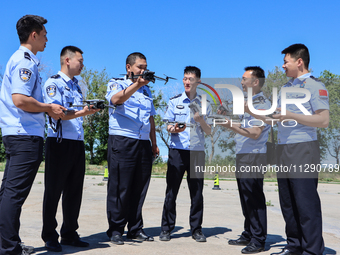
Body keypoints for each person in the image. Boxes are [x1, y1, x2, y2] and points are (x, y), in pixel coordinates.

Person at [246, 44, 329, 255]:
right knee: (288, 202)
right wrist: (253, 112)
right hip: (283, 149)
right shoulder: (285, 88)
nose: (283, 65)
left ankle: (312, 250)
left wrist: (291, 115)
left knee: (305, 202)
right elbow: (276, 118)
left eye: (286, 61)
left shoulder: (313, 86)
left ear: (299, 61)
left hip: (303, 148)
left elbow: (323, 120)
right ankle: (294, 246)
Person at [0, 15, 65, 255]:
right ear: (34, 35)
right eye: (45, 34)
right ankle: (8, 248)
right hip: (24, 135)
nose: (47, 39)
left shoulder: (22, 60)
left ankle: (7, 243)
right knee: (14, 195)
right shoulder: (25, 62)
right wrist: (48, 107)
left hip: (18, 133)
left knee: (8, 192)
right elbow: (20, 100)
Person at [41, 46, 100, 252]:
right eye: (80, 61)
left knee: (74, 191)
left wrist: (88, 110)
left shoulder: (78, 85)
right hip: (59, 142)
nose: (82, 65)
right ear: (67, 60)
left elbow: (76, 112)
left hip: (76, 142)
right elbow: (57, 113)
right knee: (53, 191)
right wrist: (83, 113)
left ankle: (69, 233)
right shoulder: (53, 83)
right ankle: (49, 235)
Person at [105, 52, 159, 245]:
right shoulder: (117, 83)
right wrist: (137, 84)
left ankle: (135, 229)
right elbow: (116, 100)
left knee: (139, 187)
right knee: (120, 186)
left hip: (143, 142)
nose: (143, 70)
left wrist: (154, 143)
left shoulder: (147, 91)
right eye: (140, 67)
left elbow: (151, 118)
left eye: (145, 67)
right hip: (122, 140)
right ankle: (116, 229)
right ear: (129, 67)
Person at [159, 66, 212, 242]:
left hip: (196, 152)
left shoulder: (205, 103)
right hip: (177, 151)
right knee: (171, 191)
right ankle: (166, 228)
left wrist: (201, 120)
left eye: (191, 79)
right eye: (185, 79)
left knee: (196, 193)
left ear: (198, 81)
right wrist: (172, 128)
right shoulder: (175, 101)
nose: (187, 82)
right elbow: (167, 125)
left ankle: (196, 229)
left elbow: (209, 131)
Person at [221, 67, 270, 253]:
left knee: (254, 198)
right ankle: (249, 233)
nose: (241, 82)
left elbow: (256, 133)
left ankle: (258, 240)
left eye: (244, 79)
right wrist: (228, 120)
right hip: (243, 155)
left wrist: (231, 126)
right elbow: (244, 127)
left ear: (255, 82)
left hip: (254, 156)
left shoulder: (262, 104)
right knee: (245, 198)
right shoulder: (249, 103)